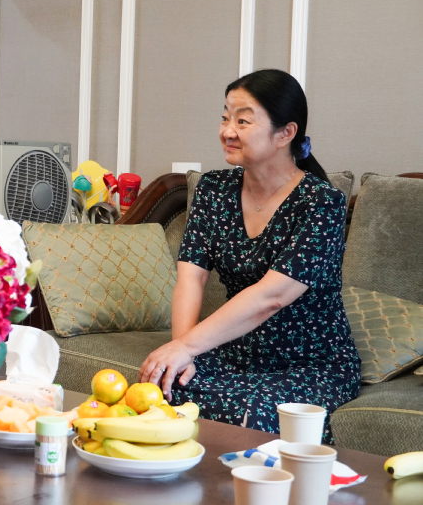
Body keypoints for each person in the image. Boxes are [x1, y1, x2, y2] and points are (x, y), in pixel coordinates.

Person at [138, 69, 360, 443]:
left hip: (309, 364)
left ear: (285, 133)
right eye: (225, 117)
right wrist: (182, 353)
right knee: (159, 391)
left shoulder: (322, 203)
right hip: (234, 353)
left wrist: (186, 347)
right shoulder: (213, 189)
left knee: (249, 412)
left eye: (243, 121)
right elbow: (192, 277)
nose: (227, 131)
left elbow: (272, 296)